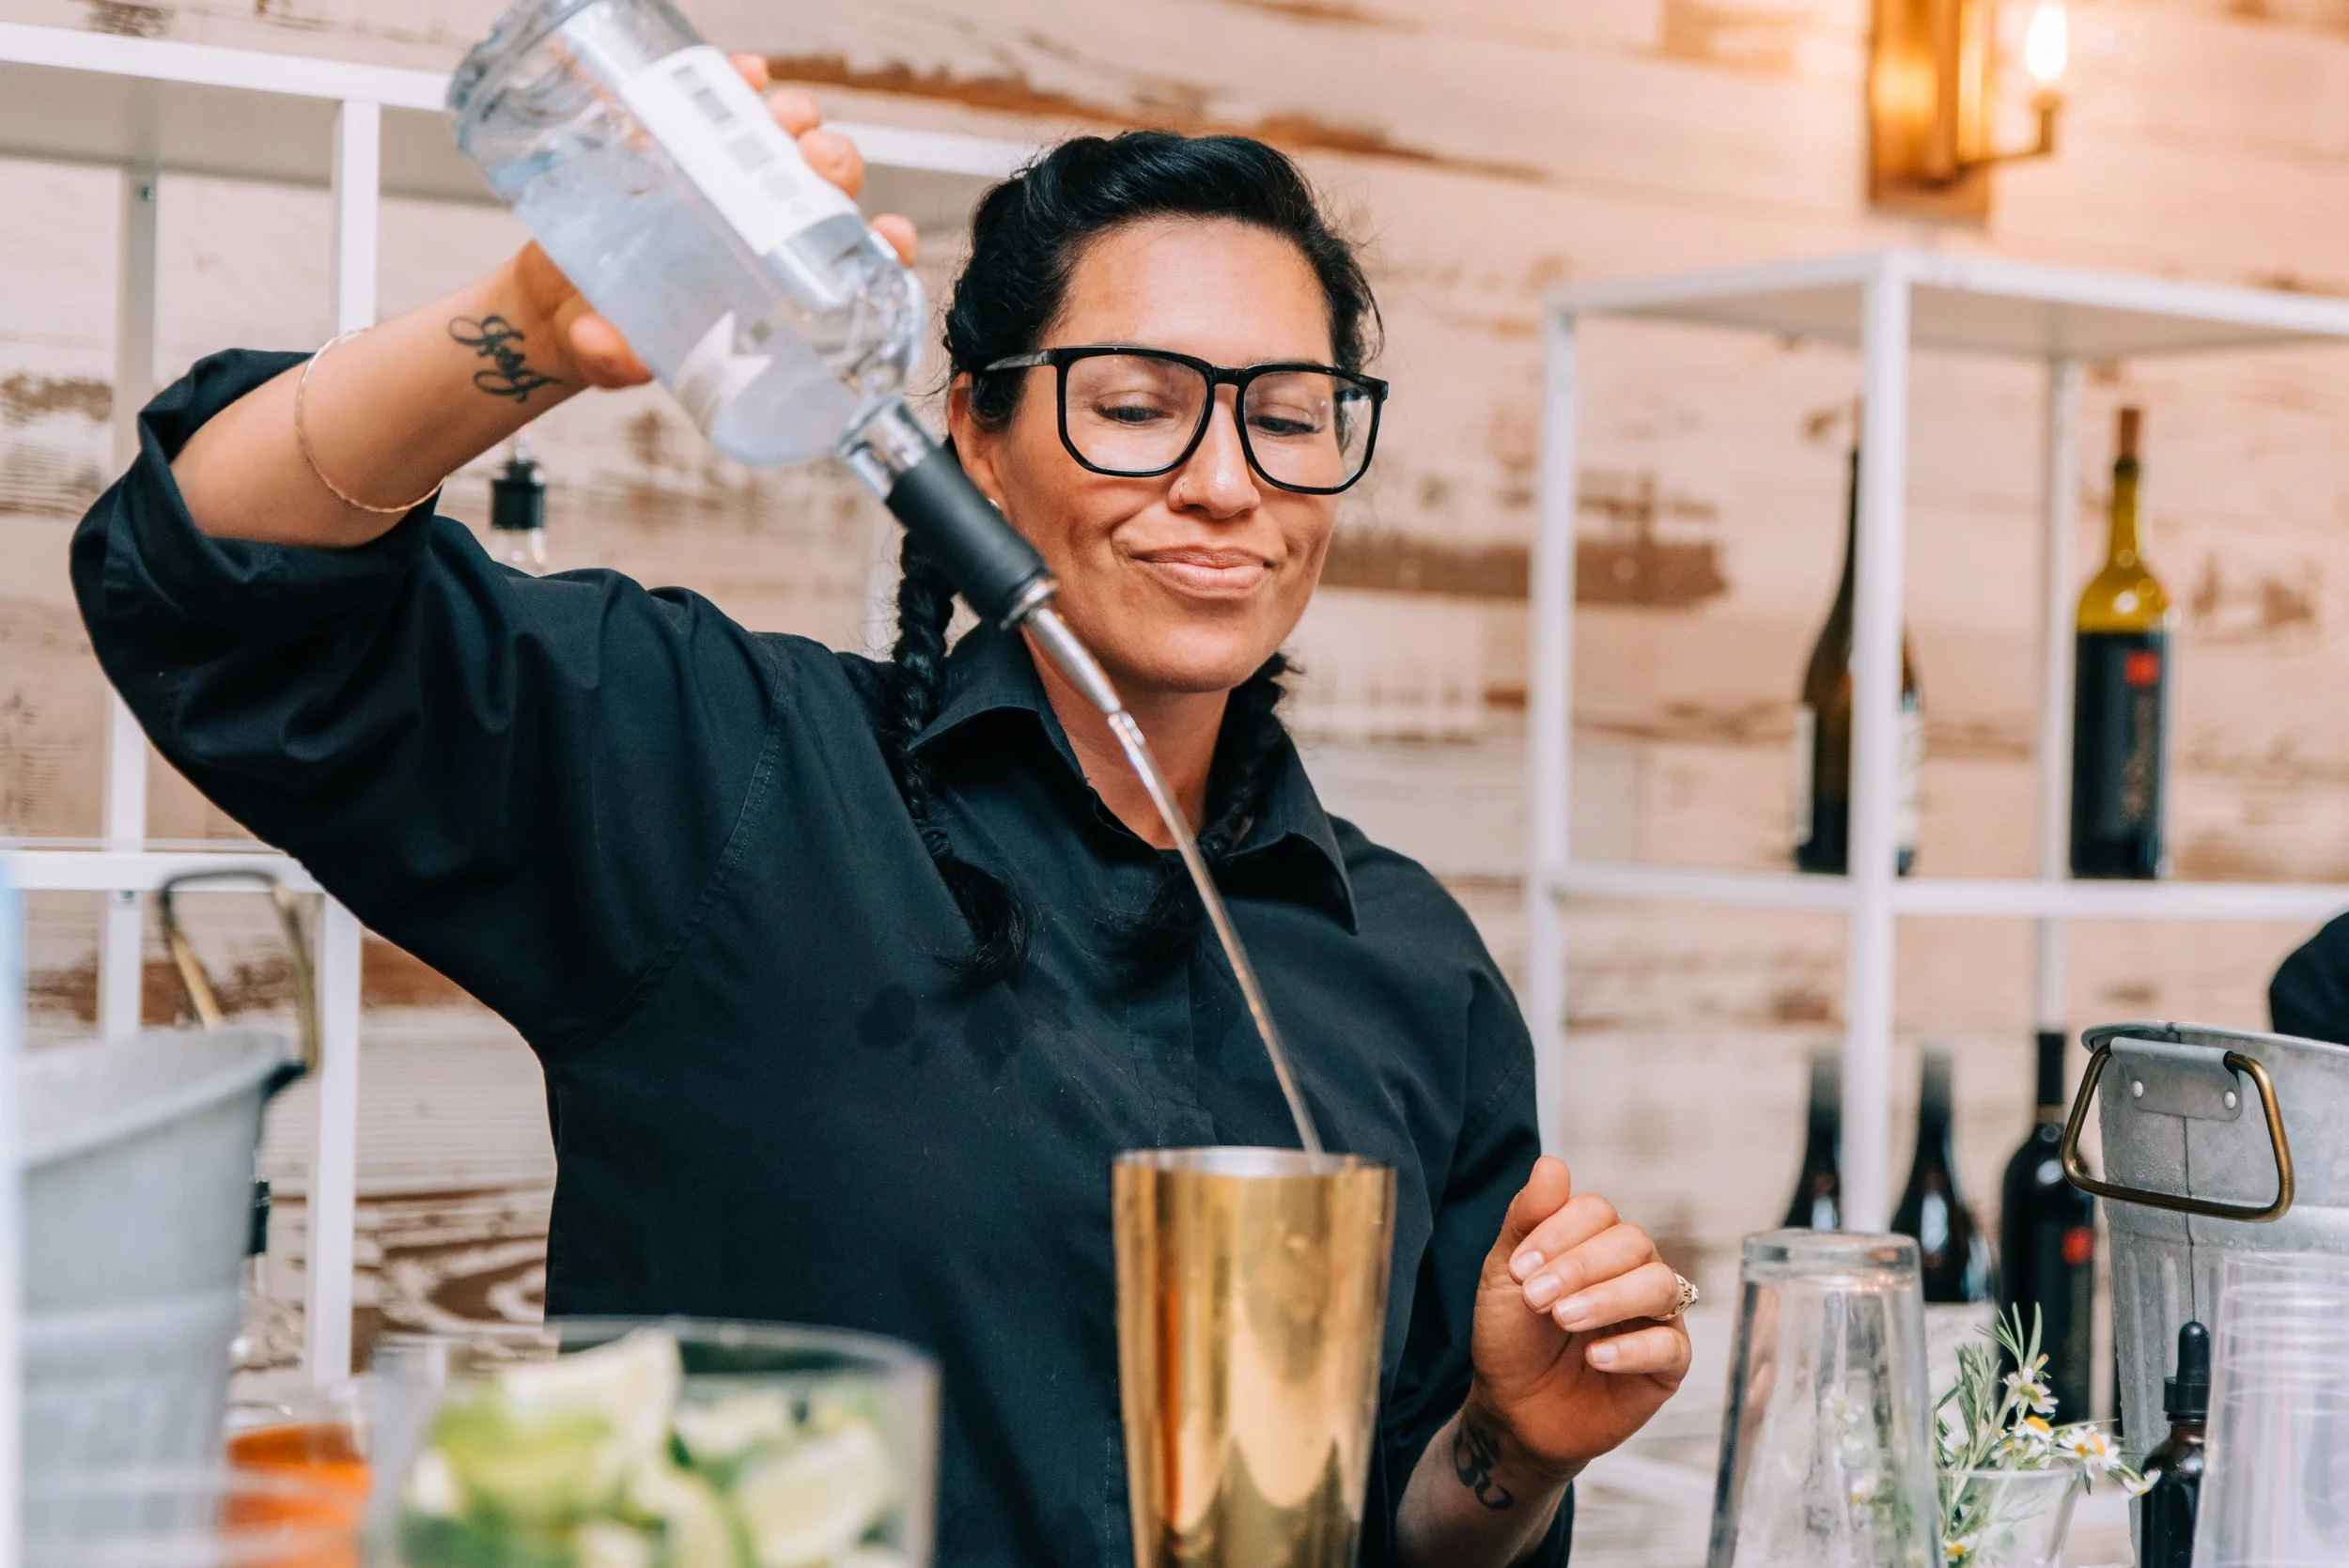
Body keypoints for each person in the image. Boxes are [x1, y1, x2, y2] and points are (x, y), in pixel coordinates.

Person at [73, 57, 1691, 1567]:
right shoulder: (735, 774)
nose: (1225, 484)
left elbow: (1389, 1532)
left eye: (1286, 414)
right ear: (977, 438)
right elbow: (211, 584)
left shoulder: (1410, 959)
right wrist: (521, 326)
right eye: (1136, 405)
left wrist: (1510, 1448)